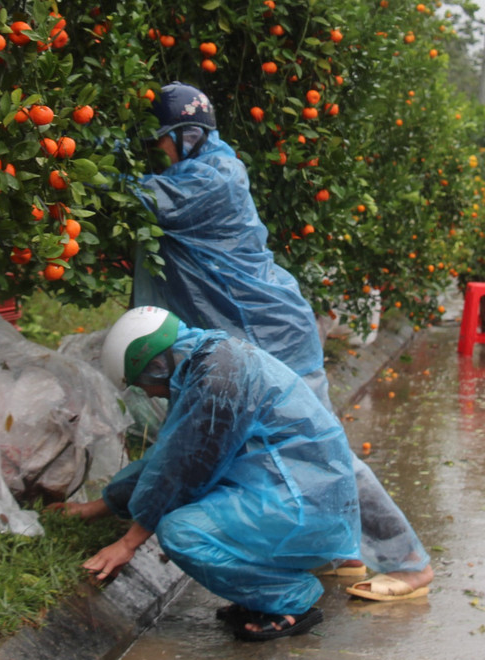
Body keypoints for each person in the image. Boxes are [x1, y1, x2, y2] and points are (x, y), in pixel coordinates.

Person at [131, 82, 433, 602]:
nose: (156, 151)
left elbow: (132, 200)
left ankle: (409, 562)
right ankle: (341, 553)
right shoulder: (198, 169)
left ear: (185, 135)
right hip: (254, 332)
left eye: (161, 140)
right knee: (284, 451)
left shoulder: (211, 180)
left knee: (326, 452)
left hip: (272, 334)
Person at [54, 307, 360, 641]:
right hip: (294, 496)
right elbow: (168, 456)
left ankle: (292, 599)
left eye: (142, 384)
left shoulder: (218, 380)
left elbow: (185, 468)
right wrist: (97, 508)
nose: (148, 393)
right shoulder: (207, 361)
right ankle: (262, 593)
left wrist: (128, 543)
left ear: (157, 366)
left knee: (181, 533)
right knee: (187, 513)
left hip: (304, 508)